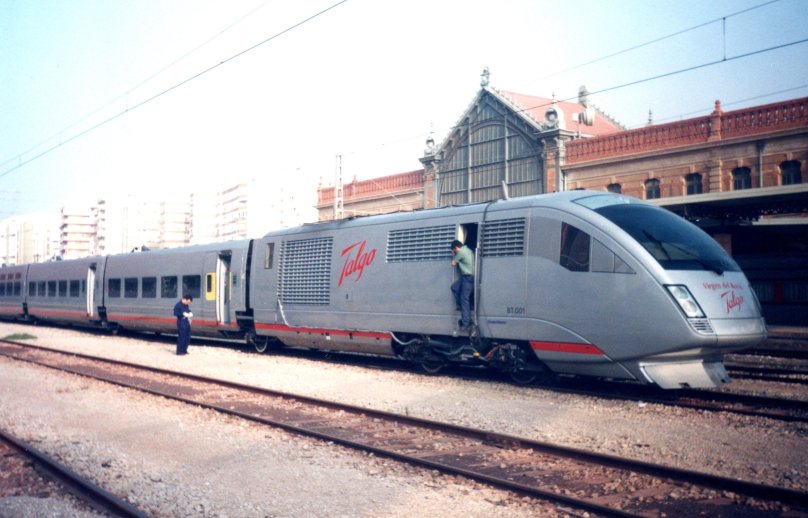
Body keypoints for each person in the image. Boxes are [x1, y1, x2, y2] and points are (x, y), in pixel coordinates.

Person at [450, 239, 475, 331]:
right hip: (466, 277)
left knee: (464, 299)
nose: (454, 252)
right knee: (454, 288)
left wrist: (454, 255)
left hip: (468, 278)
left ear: (456, 247)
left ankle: (466, 323)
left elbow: (453, 263)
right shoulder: (467, 250)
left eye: (454, 250)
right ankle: (465, 306)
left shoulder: (460, 253)